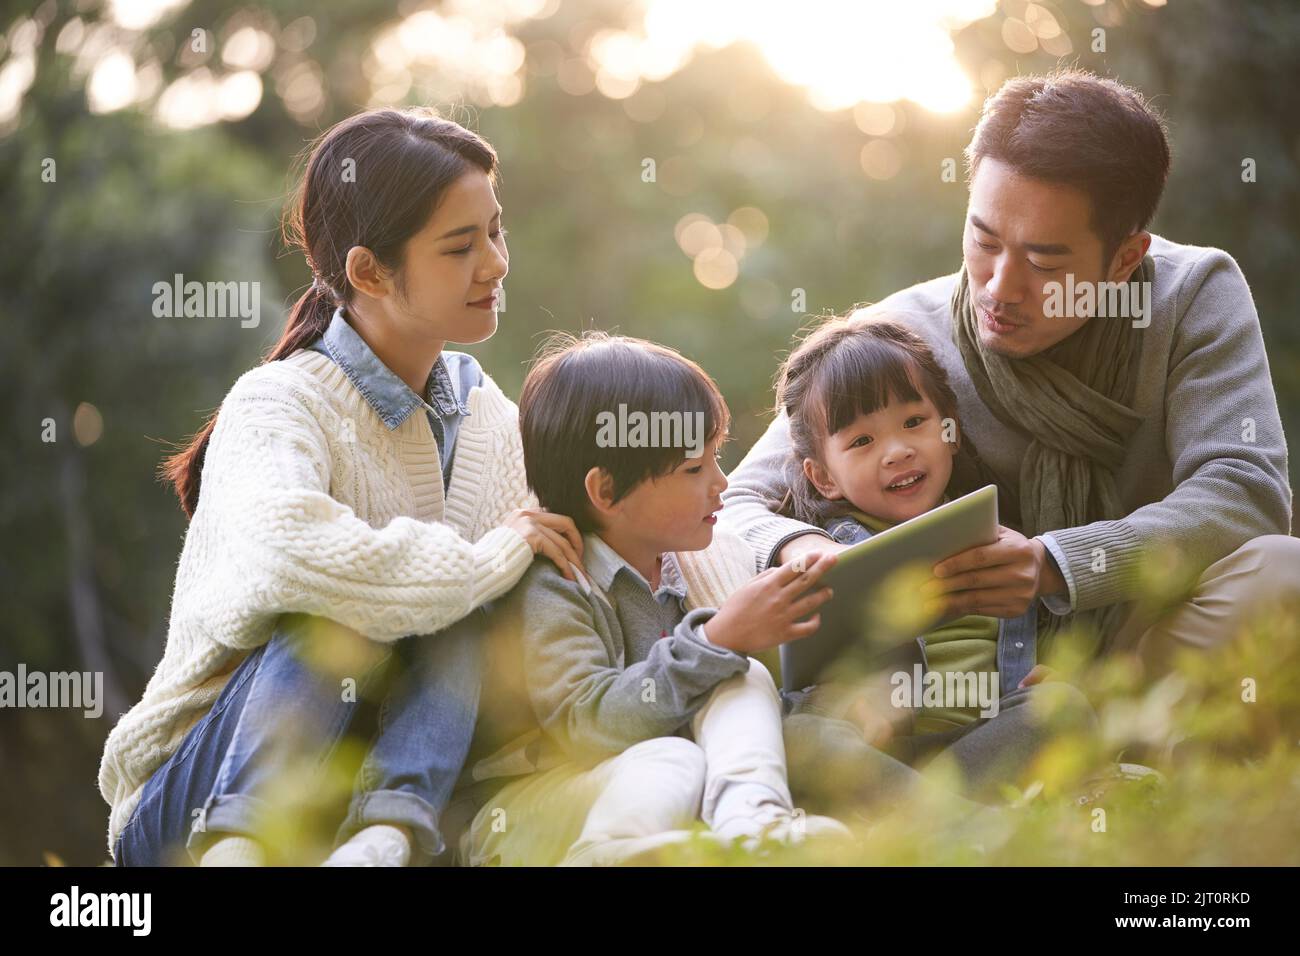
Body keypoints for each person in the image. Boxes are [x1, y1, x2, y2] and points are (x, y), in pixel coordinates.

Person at [686, 70, 1298, 680]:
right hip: (957, 678)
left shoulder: (1192, 296)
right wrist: (804, 552)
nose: (1000, 289)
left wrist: (1056, 565)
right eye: (983, 241)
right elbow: (735, 502)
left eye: (1042, 261)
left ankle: (1117, 735)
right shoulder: (898, 342)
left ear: (1124, 260)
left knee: (1282, 575)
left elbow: (1244, 490)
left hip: (1142, 652)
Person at [100, 108, 585, 867]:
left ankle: (384, 840)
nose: (495, 264)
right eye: (461, 246)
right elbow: (293, 557)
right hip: (193, 798)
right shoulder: (279, 403)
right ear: (368, 272)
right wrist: (489, 558)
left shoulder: (487, 412)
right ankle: (242, 847)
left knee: (473, 610)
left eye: (497, 230)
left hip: (366, 785)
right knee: (343, 612)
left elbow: (586, 538)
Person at [457, 332, 848, 866]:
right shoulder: (554, 582)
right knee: (672, 757)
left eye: (717, 457)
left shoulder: (695, 563)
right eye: (694, 469)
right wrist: (714, 640)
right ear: (607, 492)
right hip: (537, 809)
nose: (722, 483)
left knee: (741, 677)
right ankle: (609, 853)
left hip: (665, 790)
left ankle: (754, 824)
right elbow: (588, 728)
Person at [771, 313, 1097, 795]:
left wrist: (1042, 684)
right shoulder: (827, 551)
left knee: (1065, 705)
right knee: (801, 733)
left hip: (971, 748)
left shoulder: (1000, 543)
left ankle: (928, 818)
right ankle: (953, 824)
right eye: (862, 440)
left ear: (951, 430)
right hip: (874, 752)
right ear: (823, 477)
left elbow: (1026, 652)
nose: (898, 450)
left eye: (914, 422)